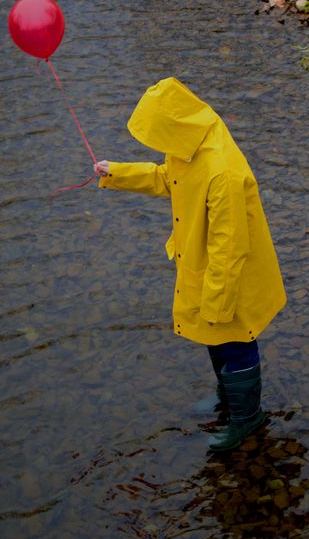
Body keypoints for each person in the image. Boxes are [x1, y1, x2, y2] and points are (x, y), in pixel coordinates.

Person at [94, 77, 286, 451]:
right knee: (214, 337)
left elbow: (229, 248)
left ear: (174, 126)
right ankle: (229, 400)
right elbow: (170, 180)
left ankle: (248, 418)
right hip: (208, 267)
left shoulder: (222, 170)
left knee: (234, 337)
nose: (157, 145)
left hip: (232, 276)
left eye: (157, 136)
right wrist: (115, 172)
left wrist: (217, 300)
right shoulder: (189, 143)